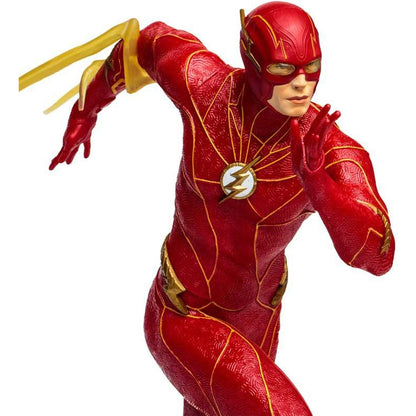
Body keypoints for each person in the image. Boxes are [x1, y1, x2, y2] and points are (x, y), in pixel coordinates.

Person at [19, 2, 395, 415]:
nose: (301, 85)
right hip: (184, 310)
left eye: (312, 68)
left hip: (257, 319)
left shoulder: (329, 149)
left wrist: (320, 187)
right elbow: (146, 43)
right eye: (283, 70)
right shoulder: (204, 85)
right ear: (251, 60)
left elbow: (377, 256)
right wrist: (86, 109)